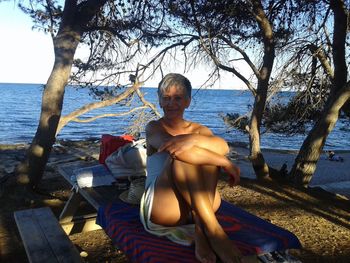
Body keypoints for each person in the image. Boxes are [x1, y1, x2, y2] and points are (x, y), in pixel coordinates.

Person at [140, 73, 242, 263]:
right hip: (165, 206)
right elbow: (176, 151)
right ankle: (213, 230)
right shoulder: (154, 127)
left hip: (202, 202)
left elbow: (223, 147)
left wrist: (193, 139)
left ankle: (200, 230)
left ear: (187, 102)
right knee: (181, 157)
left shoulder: (199, 131)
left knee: (205, 155)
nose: (171, 103)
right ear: (160, 102)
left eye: (178, 98)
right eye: (166, 98)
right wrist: (225, 162)